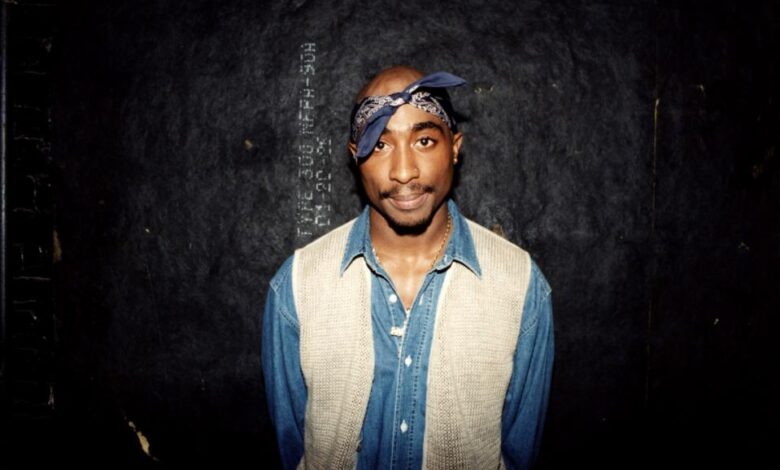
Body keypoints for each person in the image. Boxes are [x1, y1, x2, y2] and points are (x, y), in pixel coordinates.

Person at [262, 65, 554, 470]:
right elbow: (293, 450)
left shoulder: (519, 285)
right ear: (355, 157)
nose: (403, 172)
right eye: (380, 144)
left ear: (455, 147)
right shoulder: (297, 286)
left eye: (424, 140)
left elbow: (520, 454)